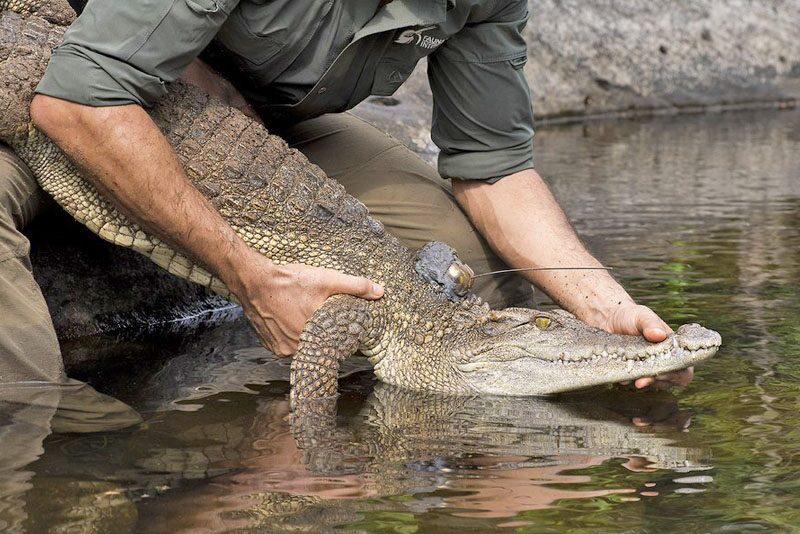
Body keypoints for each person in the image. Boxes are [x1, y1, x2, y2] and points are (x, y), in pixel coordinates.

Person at [1, 0, 690, 389]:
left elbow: (495, 168)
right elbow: (78, 102)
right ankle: (58, 451)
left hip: (257, 127)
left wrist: (609, 310)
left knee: (466, 289)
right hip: (63, 94)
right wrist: (251, 277)